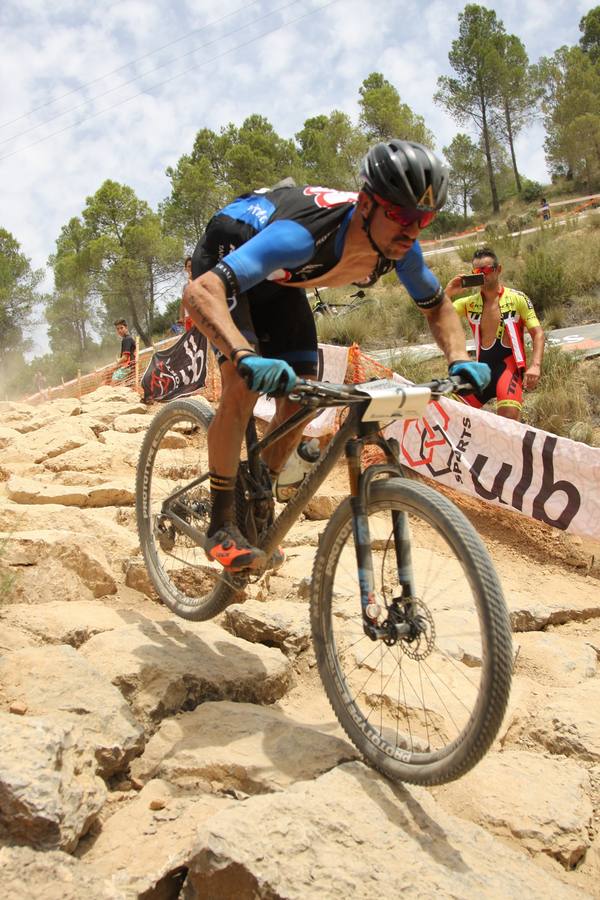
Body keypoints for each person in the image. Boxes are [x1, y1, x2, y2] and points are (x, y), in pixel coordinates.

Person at [183, 139, 491, 571]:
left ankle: (259, 492)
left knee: (304, 397)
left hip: (281, 280)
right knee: (242, 383)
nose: (411, 230)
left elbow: (437, 305)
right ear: (367, 203)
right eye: (401, 215)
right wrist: (244, 356)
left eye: (424, 220)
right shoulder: (302, 236)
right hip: (231, 252)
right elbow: (201, 291)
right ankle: (220, 525)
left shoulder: (401, 248)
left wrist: (459, 358)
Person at [445, 246, 544, 421]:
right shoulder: (469, 303)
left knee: (508, 423)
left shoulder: (517, 299)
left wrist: (535, 365)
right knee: (450, 413)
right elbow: (439, 316)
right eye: (477, 271)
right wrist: (448, 292)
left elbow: (537, 333)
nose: (483, 275)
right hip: (481, 371)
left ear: (498, 270)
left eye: (487, 269)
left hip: (508, 370)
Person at [178, 256, 193, 331]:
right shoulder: (184, 286)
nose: (191, 268)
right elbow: (183, 302)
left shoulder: (200, 280)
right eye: (189, 266)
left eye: (192, 266)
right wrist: (181, 317)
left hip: (198, 317)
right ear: (186, 269)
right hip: (188, 318)